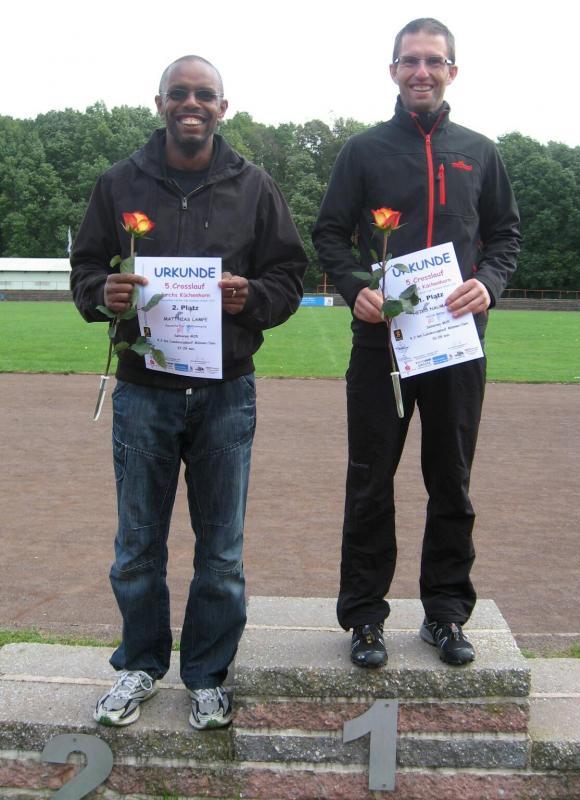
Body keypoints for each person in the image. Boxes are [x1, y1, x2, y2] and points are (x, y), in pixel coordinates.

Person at [71, 55, 307, 728]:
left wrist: (251, 296)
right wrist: (104, 292)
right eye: (179, 93)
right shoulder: (119, 182)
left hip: (225, 392)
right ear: (160, 103)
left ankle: (207, 675)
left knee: (221, 552)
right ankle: (141, 666)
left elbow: (289, 275)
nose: (191, 103)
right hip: (143, 391)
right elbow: (84, 269)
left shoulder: (254, 185)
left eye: (205, 94)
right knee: (137, 546)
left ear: (223, 108)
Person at [312, 18, 520, 668]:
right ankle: (364, 618)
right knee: (370, 481)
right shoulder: (362, 151)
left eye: (433, 61)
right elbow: (329, 233)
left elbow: (505, 235)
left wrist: (489, 282)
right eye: (410, 61)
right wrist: (355, 286)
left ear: (452, 71)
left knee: (451, 481)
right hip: (382, 344)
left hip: (455, 342)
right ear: (393, 70)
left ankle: (446, 613)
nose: (421, 71)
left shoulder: (480, 152)